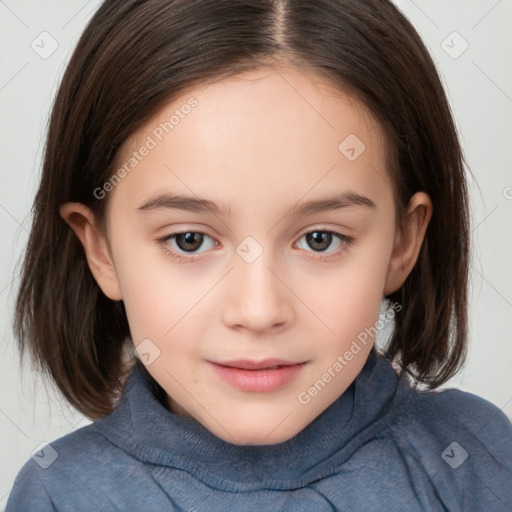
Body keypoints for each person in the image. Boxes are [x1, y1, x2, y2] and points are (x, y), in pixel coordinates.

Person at [6, 0, 512, 510]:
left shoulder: (474, 462)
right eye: (190, 240)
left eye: (320, 239)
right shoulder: (61, 494)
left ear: (402, 242)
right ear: (102, 250)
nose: (258, 310)